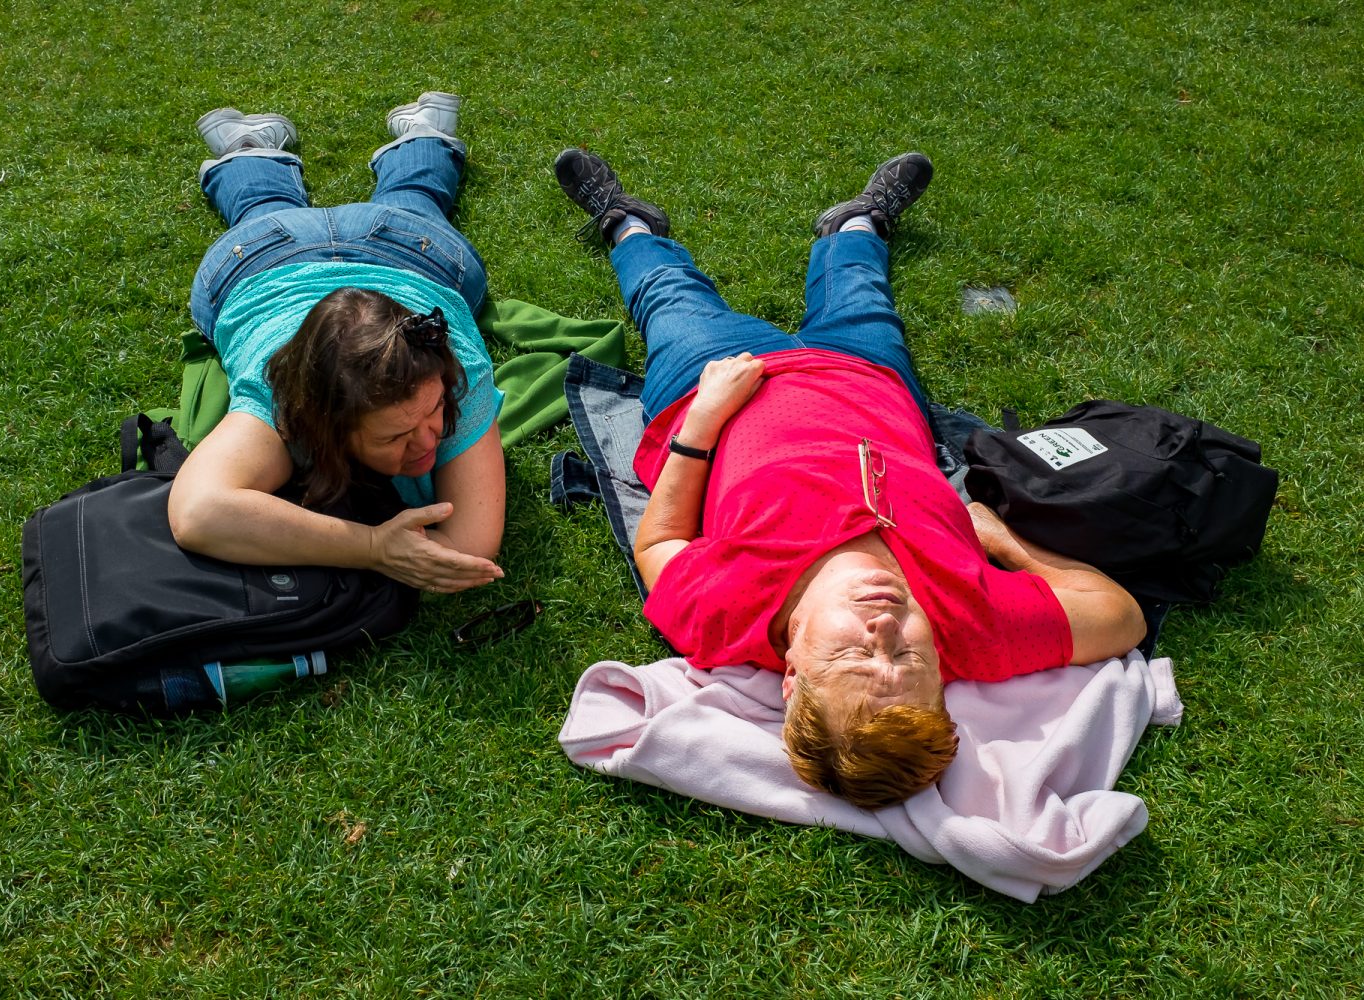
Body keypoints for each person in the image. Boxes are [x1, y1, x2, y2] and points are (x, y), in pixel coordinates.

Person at [553, 147, 1147, 809]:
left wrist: (703, 425)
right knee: (862, 290)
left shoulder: (724, 615)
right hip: (869, 379)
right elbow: (1120, 617)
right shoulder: (978, 629)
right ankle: (858, 223)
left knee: (669, 299)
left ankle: (624, 221)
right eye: (911, 664)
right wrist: (1005, 542)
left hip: (710, 382)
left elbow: (657, 544)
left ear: (792, 677)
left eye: (856, 661)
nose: (887, 634)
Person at [168, 93, 506, 595]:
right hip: (291, 255)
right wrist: (371, 547)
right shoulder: (282, 399)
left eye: (433, 410)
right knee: (411, 198)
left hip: (362, 253)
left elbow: (470, 549)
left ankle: (252, 150)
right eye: (393, 437)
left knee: (279, 208)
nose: (429, 441)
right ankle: (416, 137)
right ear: (324, 425)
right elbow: (197, 514)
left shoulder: (452, 372)